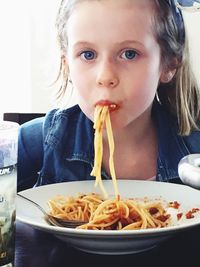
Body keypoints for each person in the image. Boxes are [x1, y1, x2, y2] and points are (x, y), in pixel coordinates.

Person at [17, 0, 200, 192]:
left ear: (168, 65)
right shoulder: (36, 142)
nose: (105, 77)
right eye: (88, 54)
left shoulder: (194, 149)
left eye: (129, 54)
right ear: (67, 65)